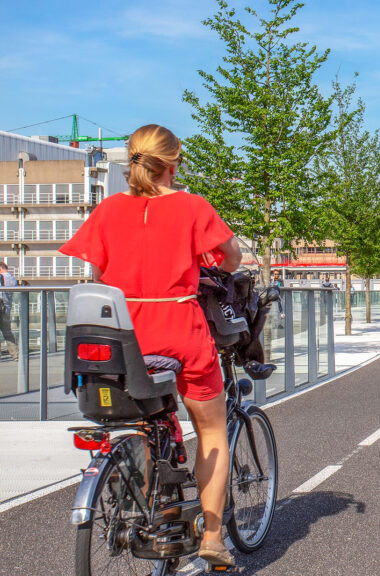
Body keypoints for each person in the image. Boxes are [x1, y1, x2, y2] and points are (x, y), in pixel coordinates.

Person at [60, 124, 242, 569]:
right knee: (213, 430)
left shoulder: (109, 210)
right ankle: (213, 538)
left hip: (125, 333)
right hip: (180, 327)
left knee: (147, 417)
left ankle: (148, 506)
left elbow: (99, 275)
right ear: (173, 162)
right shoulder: (191, 207)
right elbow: (231, 256)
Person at [0, 263, 17, 360]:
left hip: (1, 306)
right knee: (7, 332)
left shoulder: (1, 277)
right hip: (7, 308)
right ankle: (15, 354)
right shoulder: (13, 278)